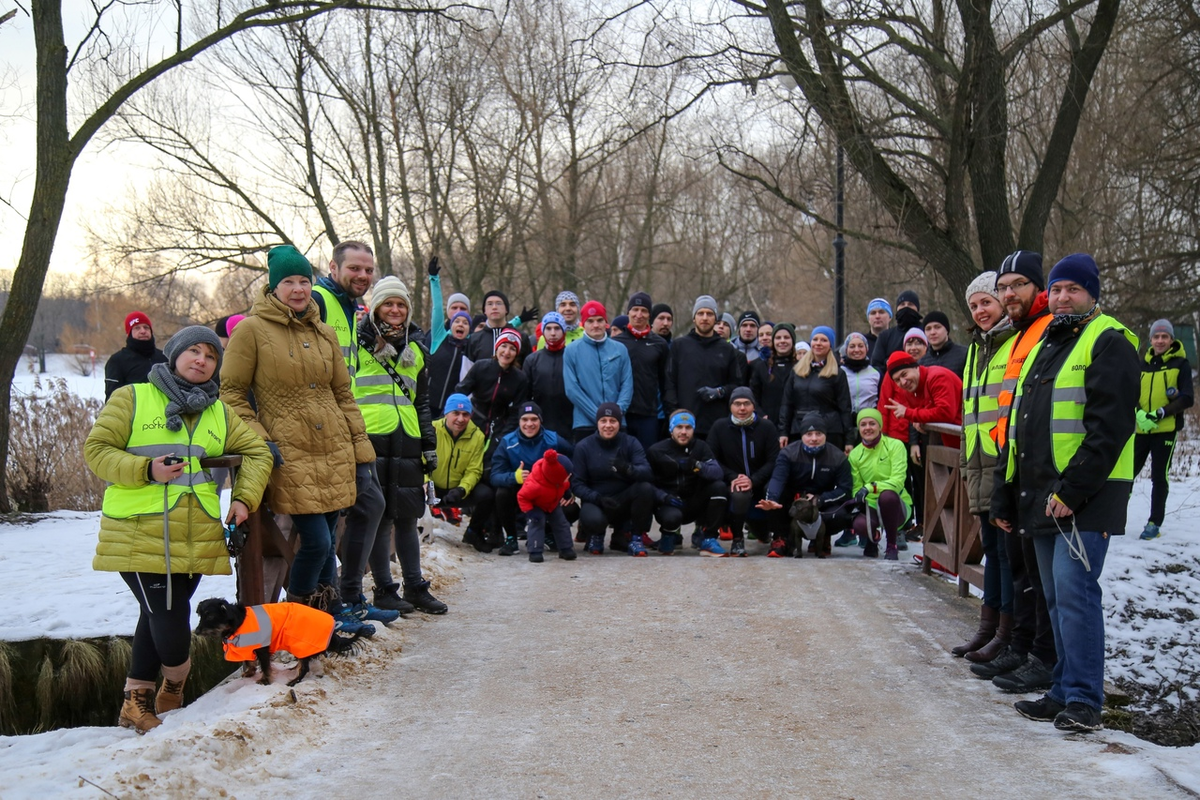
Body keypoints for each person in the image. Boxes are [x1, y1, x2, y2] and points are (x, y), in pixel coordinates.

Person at [86, 326, 272, 733]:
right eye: (193, 350)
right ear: (172, 355)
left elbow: (257, 452)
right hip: (138, 530)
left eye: (210, 354)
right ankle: (175, 683)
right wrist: (145, 469)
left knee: (155, 615)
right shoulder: (133, 397)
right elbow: (96, 451)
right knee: (169, 617)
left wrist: (243, 500)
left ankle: (134, 704)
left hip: (196, 537)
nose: (201, 359)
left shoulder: (218, 411)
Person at [993, 253, 1140, 733]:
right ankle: (1062, 687)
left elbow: (1109, 428)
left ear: (1092, 293)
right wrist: (1009, 491)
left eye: (1071, 290)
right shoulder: (1048, 342)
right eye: (1055, 290)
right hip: (1040, 496)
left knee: (1076, 596)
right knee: (1054, 597)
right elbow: (1022, 425)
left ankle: (1083, 700)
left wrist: (1072, 490)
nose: (1060, 297)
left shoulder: (1109, 341)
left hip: (1083, 497)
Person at [219, 245, 376, 632]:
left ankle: (328, 616)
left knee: (325, 543)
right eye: (288, 281)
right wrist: (259, 439)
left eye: (304, 280)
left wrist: (360, 447)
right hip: (289, 451)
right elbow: (231, 393)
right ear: (274, 287)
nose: (298, 289)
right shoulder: (251, 331)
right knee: (318, 543)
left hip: (334, 446)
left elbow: (343, 394)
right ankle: (296, 621)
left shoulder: (323, 332)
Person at [969, 250, 1058, 692]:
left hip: (1036, 470)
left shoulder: (1038, 333)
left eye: (1015, 286)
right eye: (1003, 287)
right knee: (1016, 564)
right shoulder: (1010, 337)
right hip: (999, 463)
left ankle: (1031, 650)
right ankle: (1016, 643)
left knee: (1034, 572)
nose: (1007, 295)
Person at [353, 275, 446, 615]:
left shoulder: (417, 348)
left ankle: (415, 586)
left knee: (407, 516)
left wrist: (428, 443)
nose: (395, 310)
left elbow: (422, 402)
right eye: (388, 304)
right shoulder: (356, 343)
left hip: (407, 439)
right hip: (370, 440)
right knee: (379, 518)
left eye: (400, 304)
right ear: (376, 306)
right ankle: (384, 588)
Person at [953, 272, 1018, 663]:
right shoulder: (977, 349)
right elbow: (969, 413)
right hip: (978, 463)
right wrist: (964, 463)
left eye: (986, 302)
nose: (980, 311)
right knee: (993, 550)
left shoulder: (1014, 343)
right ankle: (987, 627)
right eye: (974, 305)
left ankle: (1007, 634)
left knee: (1007, 554)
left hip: (1002, 462)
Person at [758, 412, 853, 558]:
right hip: (794, 500)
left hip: (821, 501)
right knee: (771, 495)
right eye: (809, 434)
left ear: (825, 435)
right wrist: (772, 499)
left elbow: (845, 489)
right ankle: (782, 538)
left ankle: (822, 537)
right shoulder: (788, 453)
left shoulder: (838, 457)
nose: (814, 438)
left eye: (818, 433)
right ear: (802, 435)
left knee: (840, 514)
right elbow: (777, 479)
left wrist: (820, 499)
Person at [1134, 319, 1194, 540]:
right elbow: (1131, 392)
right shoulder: (1142, 364)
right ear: (1150, 340)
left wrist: (1160, 413)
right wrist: (1139, 412)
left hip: (1165, 430)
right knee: (1126, 475)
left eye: (1164, 337)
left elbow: (1187, 398)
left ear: (1171, 339)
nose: (1160, 340)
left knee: (1159, 477)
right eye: (1156, 337)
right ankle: (1116, 516)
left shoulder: (1181, 364)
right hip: (1141, 429)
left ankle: (1154, 523)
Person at [490, 401, 574, 556]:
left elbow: (573, 459)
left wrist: (567, 483)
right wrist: (514, 476)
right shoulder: (507, 442)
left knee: (572, 508)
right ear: (519, 421)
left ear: (540, 420)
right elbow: (494, 476)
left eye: (534, 419)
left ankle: (546, 534)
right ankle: (511, 538)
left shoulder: (553, 440)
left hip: (548, 493)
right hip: (522, 493)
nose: (529, 424)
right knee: (502, 494)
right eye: (525, 419)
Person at [571, 403, 656, 556]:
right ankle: (596, 535)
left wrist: (628, 469)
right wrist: (597, 498)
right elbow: (577, 484)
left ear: (619, 423)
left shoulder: (630, 442)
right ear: (597, 423)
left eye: (613, 421)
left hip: (623, 500)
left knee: (645, 488)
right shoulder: (584, 446)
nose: (608, 425)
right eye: (604, 421)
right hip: (597, 500)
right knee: (595, 519)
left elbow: (647, 472)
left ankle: (636, 537)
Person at [707, 387, 780, 556]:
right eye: (737, 404)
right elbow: (712, 458)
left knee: (774, 490)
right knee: (739, 494)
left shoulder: (766, 427)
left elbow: (773, 460)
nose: (742, 408)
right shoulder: (719, 427)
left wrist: (753, 480)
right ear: (730, 406)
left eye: (746, 403)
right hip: (733, 483)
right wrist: (733, 477)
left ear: (754, 406)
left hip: (760, 482)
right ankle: (738, 539)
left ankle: (775, 535)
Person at [647, 410, 727, 555]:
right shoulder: (656, 450)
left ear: (693, 429)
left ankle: (709, 538)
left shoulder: (701, 446)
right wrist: (663, 497)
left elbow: (718, 473)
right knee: (672, 518)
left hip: (694, 502)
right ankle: (668, 535)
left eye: (688, 428)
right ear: (671, 429)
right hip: (669, 503)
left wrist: (697, 466)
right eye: (679, 427)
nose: (684, 432)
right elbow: (647, 483)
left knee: (719, 487)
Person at [664, 295, 744, 437]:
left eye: (709, 314)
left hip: (717, 425)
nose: (705, 318)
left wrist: (719, 392)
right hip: (685, 425)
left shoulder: (727, 349)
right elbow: (669, 383)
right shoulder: (679, 346)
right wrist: (674, 414)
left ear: (715, 318)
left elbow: (736, 385)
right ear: (694, 318)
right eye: (700, 313)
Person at [431, 393, 495, 552]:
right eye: (456, 413)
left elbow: (474, 469)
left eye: (465, 414)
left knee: (487, 494)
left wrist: (461, 489)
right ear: (447, 414)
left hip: (457, 491)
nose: (460, 419)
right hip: (432, 489)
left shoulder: (477, 436)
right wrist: (426, 483)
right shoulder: (431, 429)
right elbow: (421, 461)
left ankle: (474, 531)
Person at [562, 300, 634, 442]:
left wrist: (616, 414)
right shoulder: (571, 350)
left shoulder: (620, 349)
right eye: (590, 321)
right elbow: (572, 389)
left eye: (600, 320)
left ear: (606, 322)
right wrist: (599, 416)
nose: (596, 325)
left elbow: (627, 383)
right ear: (583, 324)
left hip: (618, 423)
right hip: (585, 424)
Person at [847, 408, 912, 559]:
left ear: (880, 426)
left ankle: (891, 545)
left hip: (896, 502)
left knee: (887, 496)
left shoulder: (896, 446)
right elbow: (857, 486)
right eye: (863, 424)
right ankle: (872, 540)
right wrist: (858, 496)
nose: (868, 428)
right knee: (859, 525)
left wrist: (870, 487)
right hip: (871, 504)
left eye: (872, 423)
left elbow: (897, 481)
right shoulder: (855, 454)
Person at [312, 240, 377, 386]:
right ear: (333, 267)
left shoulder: (348, 307)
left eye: (369, 270)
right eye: (354, 268)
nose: (363, 276)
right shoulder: (316, 300)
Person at [778, 326, 854, 450]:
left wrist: (849, 440)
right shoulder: (796, 371)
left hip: (829, 432)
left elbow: (845, 407)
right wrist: (783, 432)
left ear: (830, 345)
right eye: (815, 339)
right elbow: (786, 404)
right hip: (799, 430)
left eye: (824, 340)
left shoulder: (837, 373)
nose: (818, 343)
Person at [456, 328, 530, 451]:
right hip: (473, 421)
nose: (506, 352)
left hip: (499, 428)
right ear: (497, 348)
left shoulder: (520, 378)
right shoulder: (480, 367)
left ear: (516, 353)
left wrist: (503, 435)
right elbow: (460, 392)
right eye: (504, 346)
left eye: (512, 349)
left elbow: (517, 410)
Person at [614, 292, 670, 452]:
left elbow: (665, 382)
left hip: (648, 414)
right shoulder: (616, 342)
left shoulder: (659, 344)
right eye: (635, 310)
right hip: (622, 414)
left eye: (644, 311)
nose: (639, 315)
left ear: (649, 315)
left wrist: (667, 413)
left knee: (647, 458)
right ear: (628, 312)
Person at [522, 311, 575, 441]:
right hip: (541, 425)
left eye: (557, 328)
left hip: (570, 425)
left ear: (564, 331)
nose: (552, 333)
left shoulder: (574, 357)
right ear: (543, 331)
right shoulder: (532, 360)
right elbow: (525, 395)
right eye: (548, 328)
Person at [517, 449, 577, 562]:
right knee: (537, 524)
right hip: (536, 505)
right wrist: (530, 511)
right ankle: (535, 551)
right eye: (567, 475)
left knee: (562, 523)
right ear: (556, 477)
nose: (569, 476)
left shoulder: (560, 480)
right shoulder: (534, 485)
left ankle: (566, 548)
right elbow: (522, 496)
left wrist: (567, 492)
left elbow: (564, 484)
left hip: (552, 503)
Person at [105, 311, 168, 401]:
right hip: (133, 413)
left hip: (163, 413)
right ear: (129, 333)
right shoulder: (117, 360)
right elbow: (112, 398)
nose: (143, 331)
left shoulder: (164, 358)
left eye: (146, 327)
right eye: (137, 328)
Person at [466, 291, 535, 363]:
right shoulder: (474, 339)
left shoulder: (521, 337)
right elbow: (467, 370)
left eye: (499, 303)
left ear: (506, 309)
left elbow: (528, 368)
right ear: (484, 311)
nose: (494, 307)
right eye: (489, 304)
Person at [428, 310, 474, 418]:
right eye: (457, 321)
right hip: (428, 402)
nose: (460, 324)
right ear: (451, 325)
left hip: (450, 408)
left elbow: (489, 335)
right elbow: (437, 308)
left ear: (470, 330)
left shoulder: (470, 350)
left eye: (465, 323)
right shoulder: (439, 340)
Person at [750, 322, 797, 424]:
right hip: (768, 423)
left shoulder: (801, 367)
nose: (782, 341)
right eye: (778, 338)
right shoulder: (761, 366)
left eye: (786, 337)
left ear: (792, 340)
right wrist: (761, 414)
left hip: (795, 425)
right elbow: (753, 395)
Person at [870, 290, 923, 372]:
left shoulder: (926, 332)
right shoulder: (885, 336)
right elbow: (876, 366)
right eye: (902, 304)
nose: (906, 307)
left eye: (910, 304)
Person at [841, 332, 881, 423]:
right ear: (846, 350)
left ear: (866, 349)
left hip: (869, 420)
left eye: (860, 346)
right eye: (852, 346)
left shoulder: (876, 373)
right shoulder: (839, 372)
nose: (856, 350)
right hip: (846, 421)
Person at [921, 311, 969, 377]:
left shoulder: (965, 354)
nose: (932, 332)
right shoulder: (922, 363)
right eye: (928, 329)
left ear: (946, 330)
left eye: (937, 327)